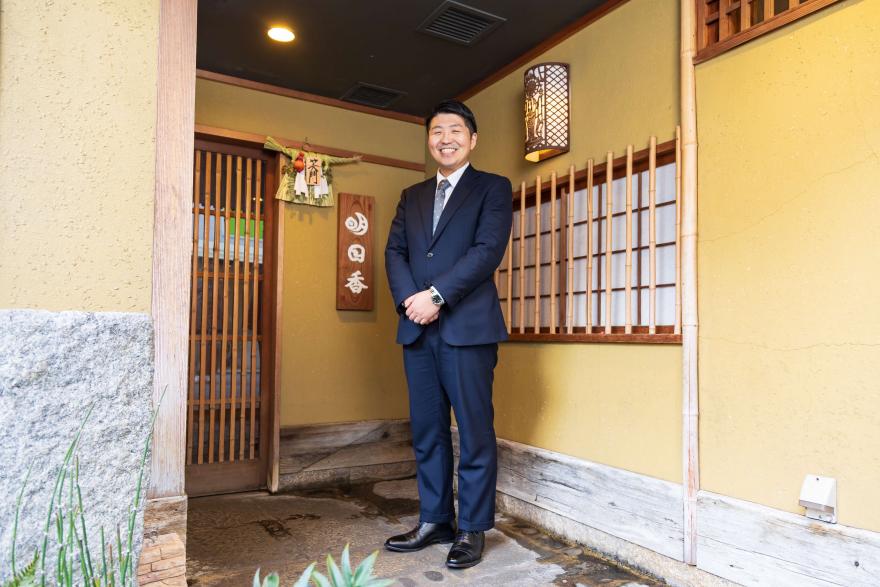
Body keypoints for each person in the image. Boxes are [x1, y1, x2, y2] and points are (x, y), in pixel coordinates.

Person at [384, 100, 512, 569]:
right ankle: (435, 519)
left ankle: (472, 528)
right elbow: (395, 252)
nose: (446, 139)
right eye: (437, 131)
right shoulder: (412, 195)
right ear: (429, 140)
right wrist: (410, 302)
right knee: (427, 430)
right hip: (417, 329)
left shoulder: (492, 188)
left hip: (468, 329)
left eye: (455, 130)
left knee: (474, 431)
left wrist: (436, 296)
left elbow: (487, 251)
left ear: (472, 139)